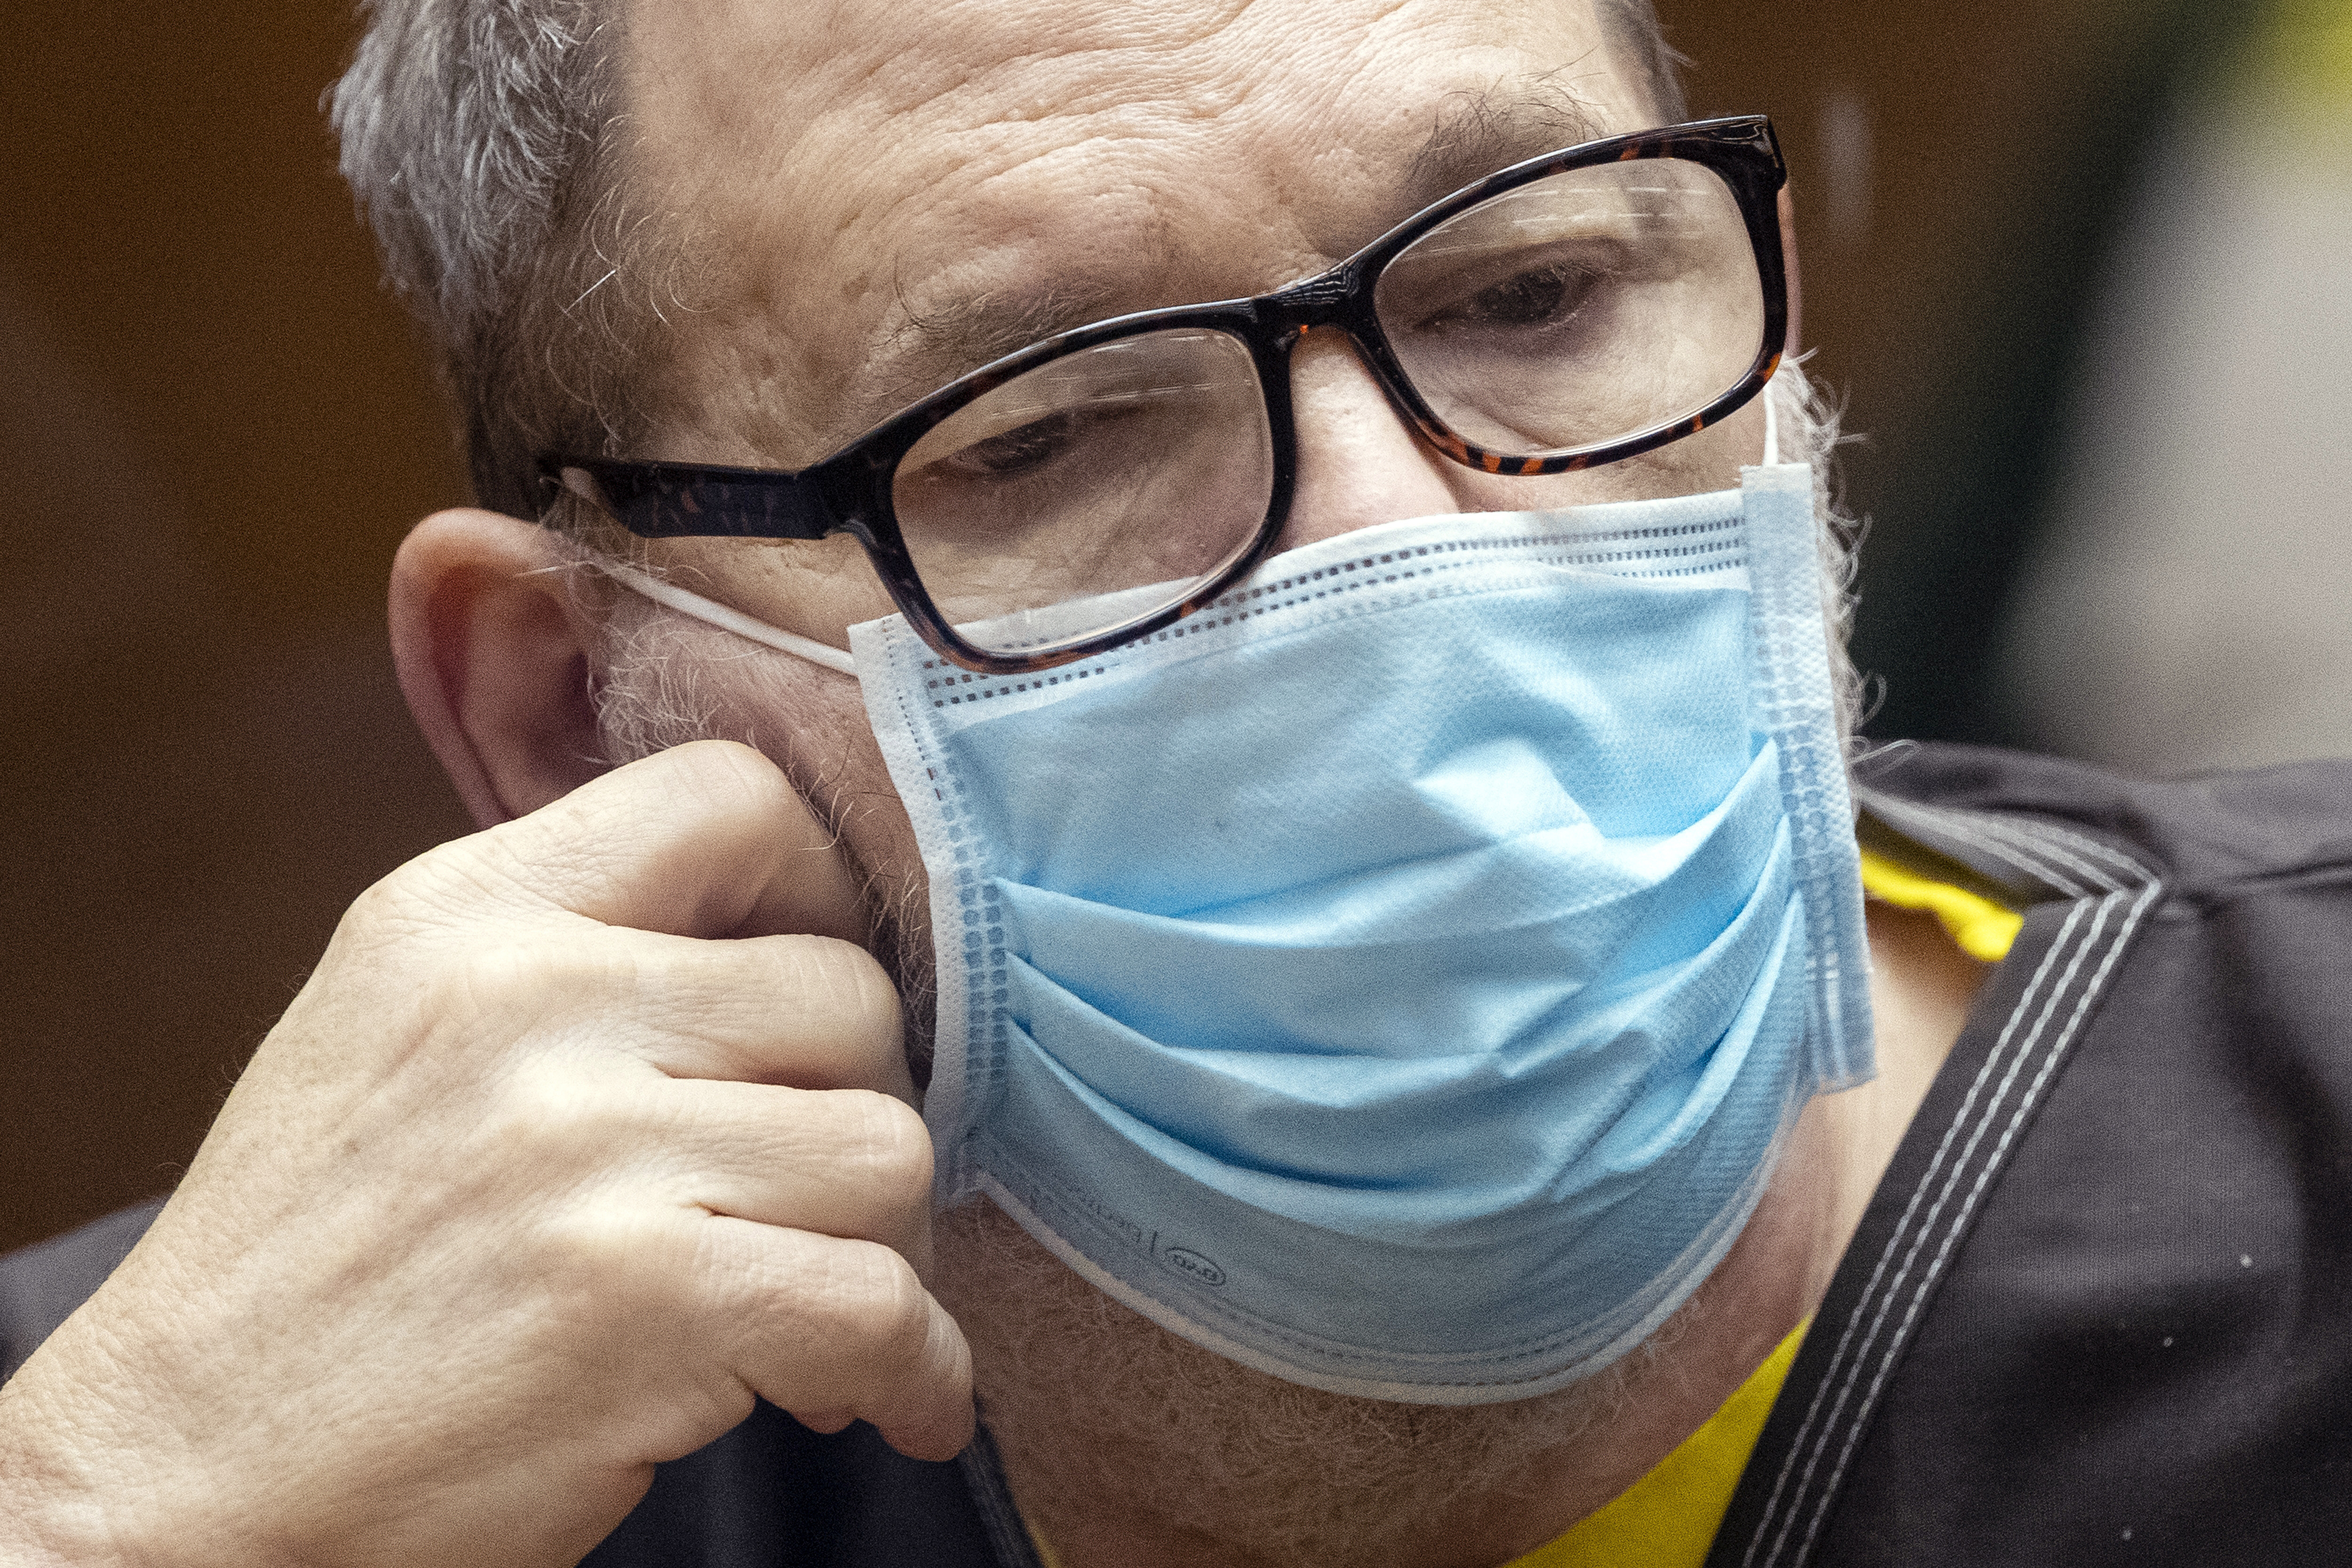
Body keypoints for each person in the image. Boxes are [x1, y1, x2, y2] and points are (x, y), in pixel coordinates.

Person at [2, 2, 2348, 1565]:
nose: (1404, 531)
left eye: (1533, 295)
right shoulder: (244, 1441)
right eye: (1047, 430)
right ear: (562, 707)